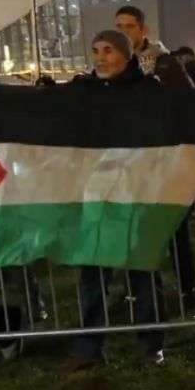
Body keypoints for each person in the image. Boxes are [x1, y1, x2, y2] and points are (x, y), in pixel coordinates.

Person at [61, 31, 168, 370]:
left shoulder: (148, 91)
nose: (101, 57)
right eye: (95, 51)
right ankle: (89, 346)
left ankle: (151, 345)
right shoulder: (84, 92)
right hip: (96, 195)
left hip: (136, 196)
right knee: (93, 276)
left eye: (108, 50)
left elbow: (177, 115)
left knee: (142, 272)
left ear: (125, 54)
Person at [115, 5, 170, 76]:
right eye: (119, 27)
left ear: (143, 30)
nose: (124, 32)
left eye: (130, 26)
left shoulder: (161, 60)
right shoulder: (112, 59)